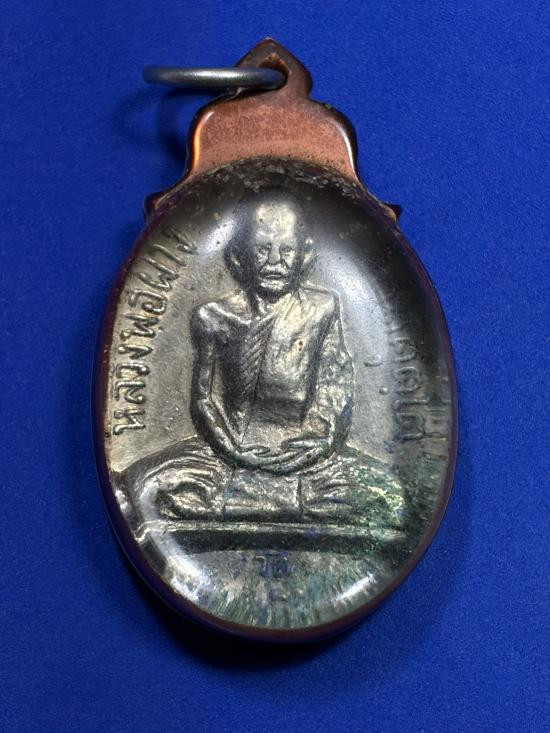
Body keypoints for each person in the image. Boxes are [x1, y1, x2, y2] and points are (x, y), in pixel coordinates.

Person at [123, 192, 404, 528]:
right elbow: (203, 399)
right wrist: (232, 449)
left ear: (305, 255)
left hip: (305, 456)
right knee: (139, 490)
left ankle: (248, 502)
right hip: (227, 454)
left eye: (286, 250)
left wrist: (319, 442)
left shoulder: (322, 309)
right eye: (262, 250)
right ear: (239, 256)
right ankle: (273, 502)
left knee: (390, 498)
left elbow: (335, 385)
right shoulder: (213, 316)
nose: (275, 262)